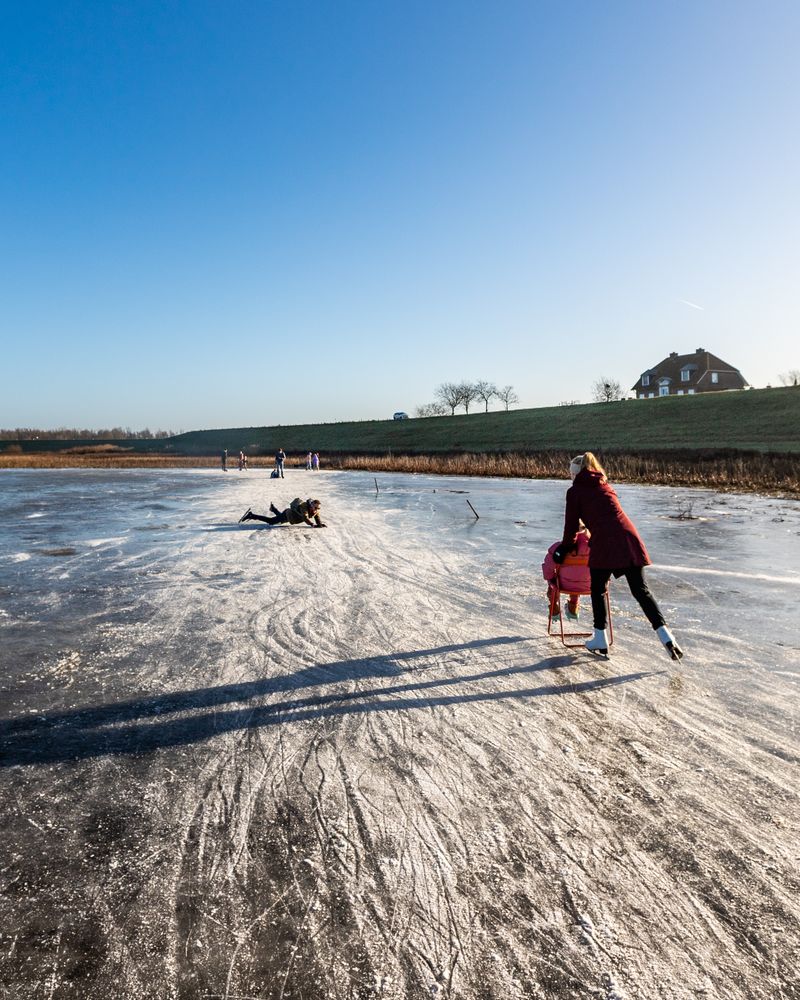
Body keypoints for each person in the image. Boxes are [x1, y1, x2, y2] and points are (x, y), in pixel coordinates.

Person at [554, 452, 683, 659]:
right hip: (629, 539)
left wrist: (564, 548)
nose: (570, 477)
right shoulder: (604, 485)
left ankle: (600, 637)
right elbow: (603, 515)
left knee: (597, 589)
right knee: (641, 591)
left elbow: (570, 527)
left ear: (576, 473)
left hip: (606, 544)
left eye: (570, 474)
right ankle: (667, 636)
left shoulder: (576, 490)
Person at [542, 526, 590, 623]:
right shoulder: (596, 547)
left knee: (552, 578)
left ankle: (554, 606)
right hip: (591, 586)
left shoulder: (559, 548)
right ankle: (573, 606)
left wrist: (550, 579)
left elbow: (548, 567)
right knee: (579, 574)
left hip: (563, 585)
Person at [239, 498, 326, 527]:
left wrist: (320, 524)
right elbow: (305, 517)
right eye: (315, 507)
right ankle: (251, 515)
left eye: (317, 508)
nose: (316, 510)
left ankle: (273, 509)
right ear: (311, 505)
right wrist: (312, 524)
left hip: (292, 517)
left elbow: (317, 517)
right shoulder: (304, 507)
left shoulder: (315, 510)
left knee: (278, 519)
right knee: (271, 521)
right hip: (288, 515)